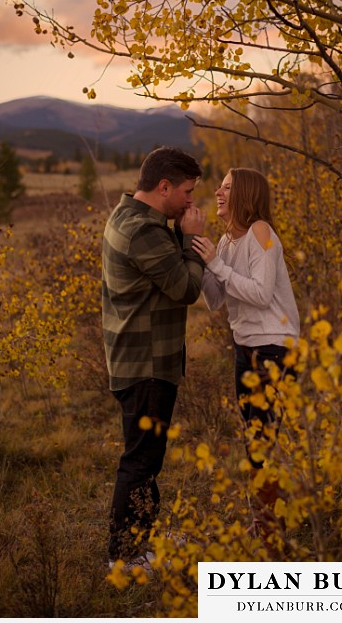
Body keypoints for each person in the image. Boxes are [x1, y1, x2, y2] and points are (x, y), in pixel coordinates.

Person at [101, 146, 206, 571]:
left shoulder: (131, 216)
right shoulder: (145, 231)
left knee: (148, 456)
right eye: (186, 192)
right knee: (141, 459)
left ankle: (141, 540)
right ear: (163, 187)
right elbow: (185, 288)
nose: (191, 202)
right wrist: (190, 242)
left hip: (140, 359)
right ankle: (124, 557)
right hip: (145, 364)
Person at [192, 168, 300, 529]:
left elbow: (260, 293)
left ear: (245, 196)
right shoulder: (227, 242)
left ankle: (270, 525)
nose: (218, 193)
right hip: (245, 348)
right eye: (219, 187)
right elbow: (215, 300)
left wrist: (216, 264)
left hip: (274, 348)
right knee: (254, 439)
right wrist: (202, 259)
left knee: (261, 440)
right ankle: (266, 517)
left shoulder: (262, 233)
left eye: (227, 188)